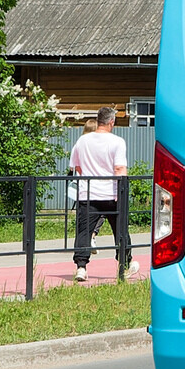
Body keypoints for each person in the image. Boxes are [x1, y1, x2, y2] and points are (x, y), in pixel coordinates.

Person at [70, 106, 135, 282]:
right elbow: (119, 168)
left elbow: (77, 167)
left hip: (88, 192)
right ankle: (124, 265)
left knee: (84, 231)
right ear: (111, 122)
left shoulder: (82, 141)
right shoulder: (117, 142)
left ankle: (81, 267)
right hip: (111, 193)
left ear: (98, 120)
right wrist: (121, 192)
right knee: (120, 230)